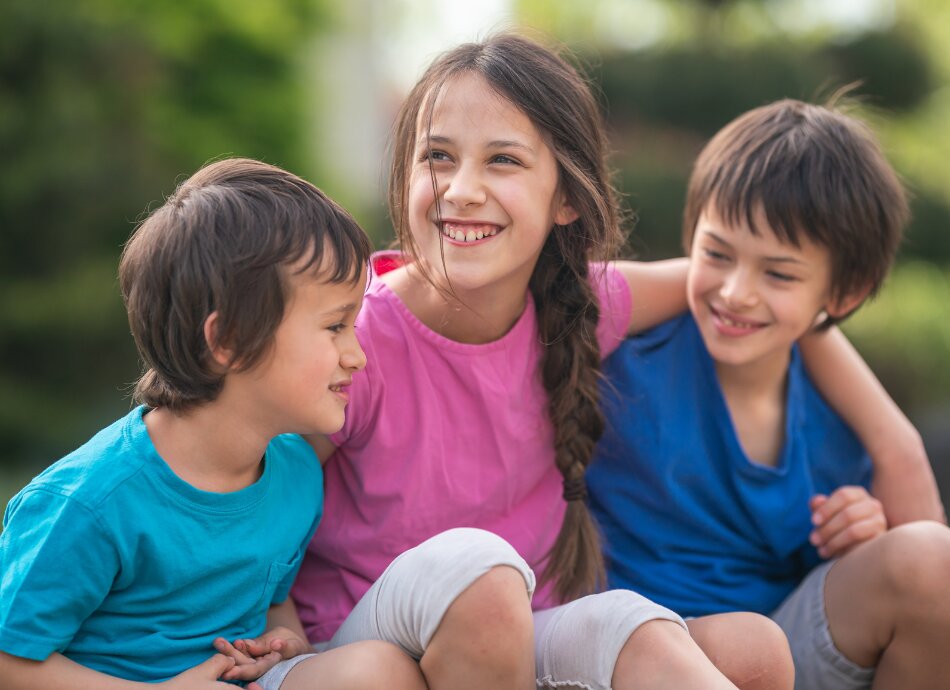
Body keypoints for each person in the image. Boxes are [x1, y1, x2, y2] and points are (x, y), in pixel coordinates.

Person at [295, 33, 797, 690]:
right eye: (438, 157)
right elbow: (251, 498)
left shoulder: (578, 305)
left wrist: (887, 431)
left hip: (523, 640)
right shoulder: (354, 337)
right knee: (481, 577)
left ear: (566, 199)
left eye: (503, 160)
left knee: (751, 649)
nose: (464, 189)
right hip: (358, 648)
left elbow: (737, 292)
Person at [0, 158, 532, 690]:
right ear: (227, 340)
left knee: (381, 671)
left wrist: (285, 640)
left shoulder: (296, 472)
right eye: (335, 326)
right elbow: (9, 658)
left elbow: (274, 601)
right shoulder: (90, 502)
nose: (358, 357)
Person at [588, 98, 950, 690]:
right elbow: (554, 298)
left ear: (845, 292)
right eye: (717, 254)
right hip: (626, 647)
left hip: (775, 653)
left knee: (930, 558)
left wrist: (858, 535)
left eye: (778, 274)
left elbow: (848, 573)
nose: (736, 292)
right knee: (741, 649)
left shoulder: (838, 424)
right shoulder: (632, 353)